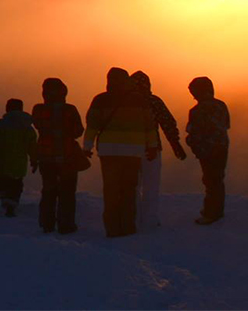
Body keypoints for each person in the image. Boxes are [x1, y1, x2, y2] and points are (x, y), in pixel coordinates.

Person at [83, 67, 159, 237]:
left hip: (108, 152)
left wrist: (87, 147)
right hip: (133, 152)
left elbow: (92, 126)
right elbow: (150, 127)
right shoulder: (139, 100)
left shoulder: (100, 100)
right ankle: (127, 228)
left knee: (111, 190)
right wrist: (152, 147)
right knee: (128, 190)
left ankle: (112, 229)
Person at [132, 71, 186, 231]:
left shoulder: (125, 103)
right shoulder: (153, 101)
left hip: (130, 150)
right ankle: (149, 222)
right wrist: (175, 144)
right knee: (151, 186)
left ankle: (132, 219)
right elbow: (167, 122)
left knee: (132, 186)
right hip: (153, 149)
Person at [32, 78, 85, 234]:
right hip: (67, 157)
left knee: (48, 191)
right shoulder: (70, 110)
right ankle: (66, 225)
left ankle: (47, 224)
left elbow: (37, 125)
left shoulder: (38, 109)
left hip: (45, 157)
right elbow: (78, 131)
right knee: (67, 192)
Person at [184, 76, 230, 225]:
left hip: (206, 150)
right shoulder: (221, 105)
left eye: (193, 92)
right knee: (217, 179)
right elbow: (226, 125)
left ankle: (211, 213)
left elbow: (194, 132)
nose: (193, 96)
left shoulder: (197, 111)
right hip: (222, 147)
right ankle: (216, 210)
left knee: (210, 180)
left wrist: (193, 144)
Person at [0, 98, 38, 217]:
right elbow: (32, 147)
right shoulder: (28, 128)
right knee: (15, 184)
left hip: (0, 163)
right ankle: (12, 205)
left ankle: (5, 201)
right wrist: (34, 160)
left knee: (3, 183)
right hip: (18, 164)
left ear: (7, 109)